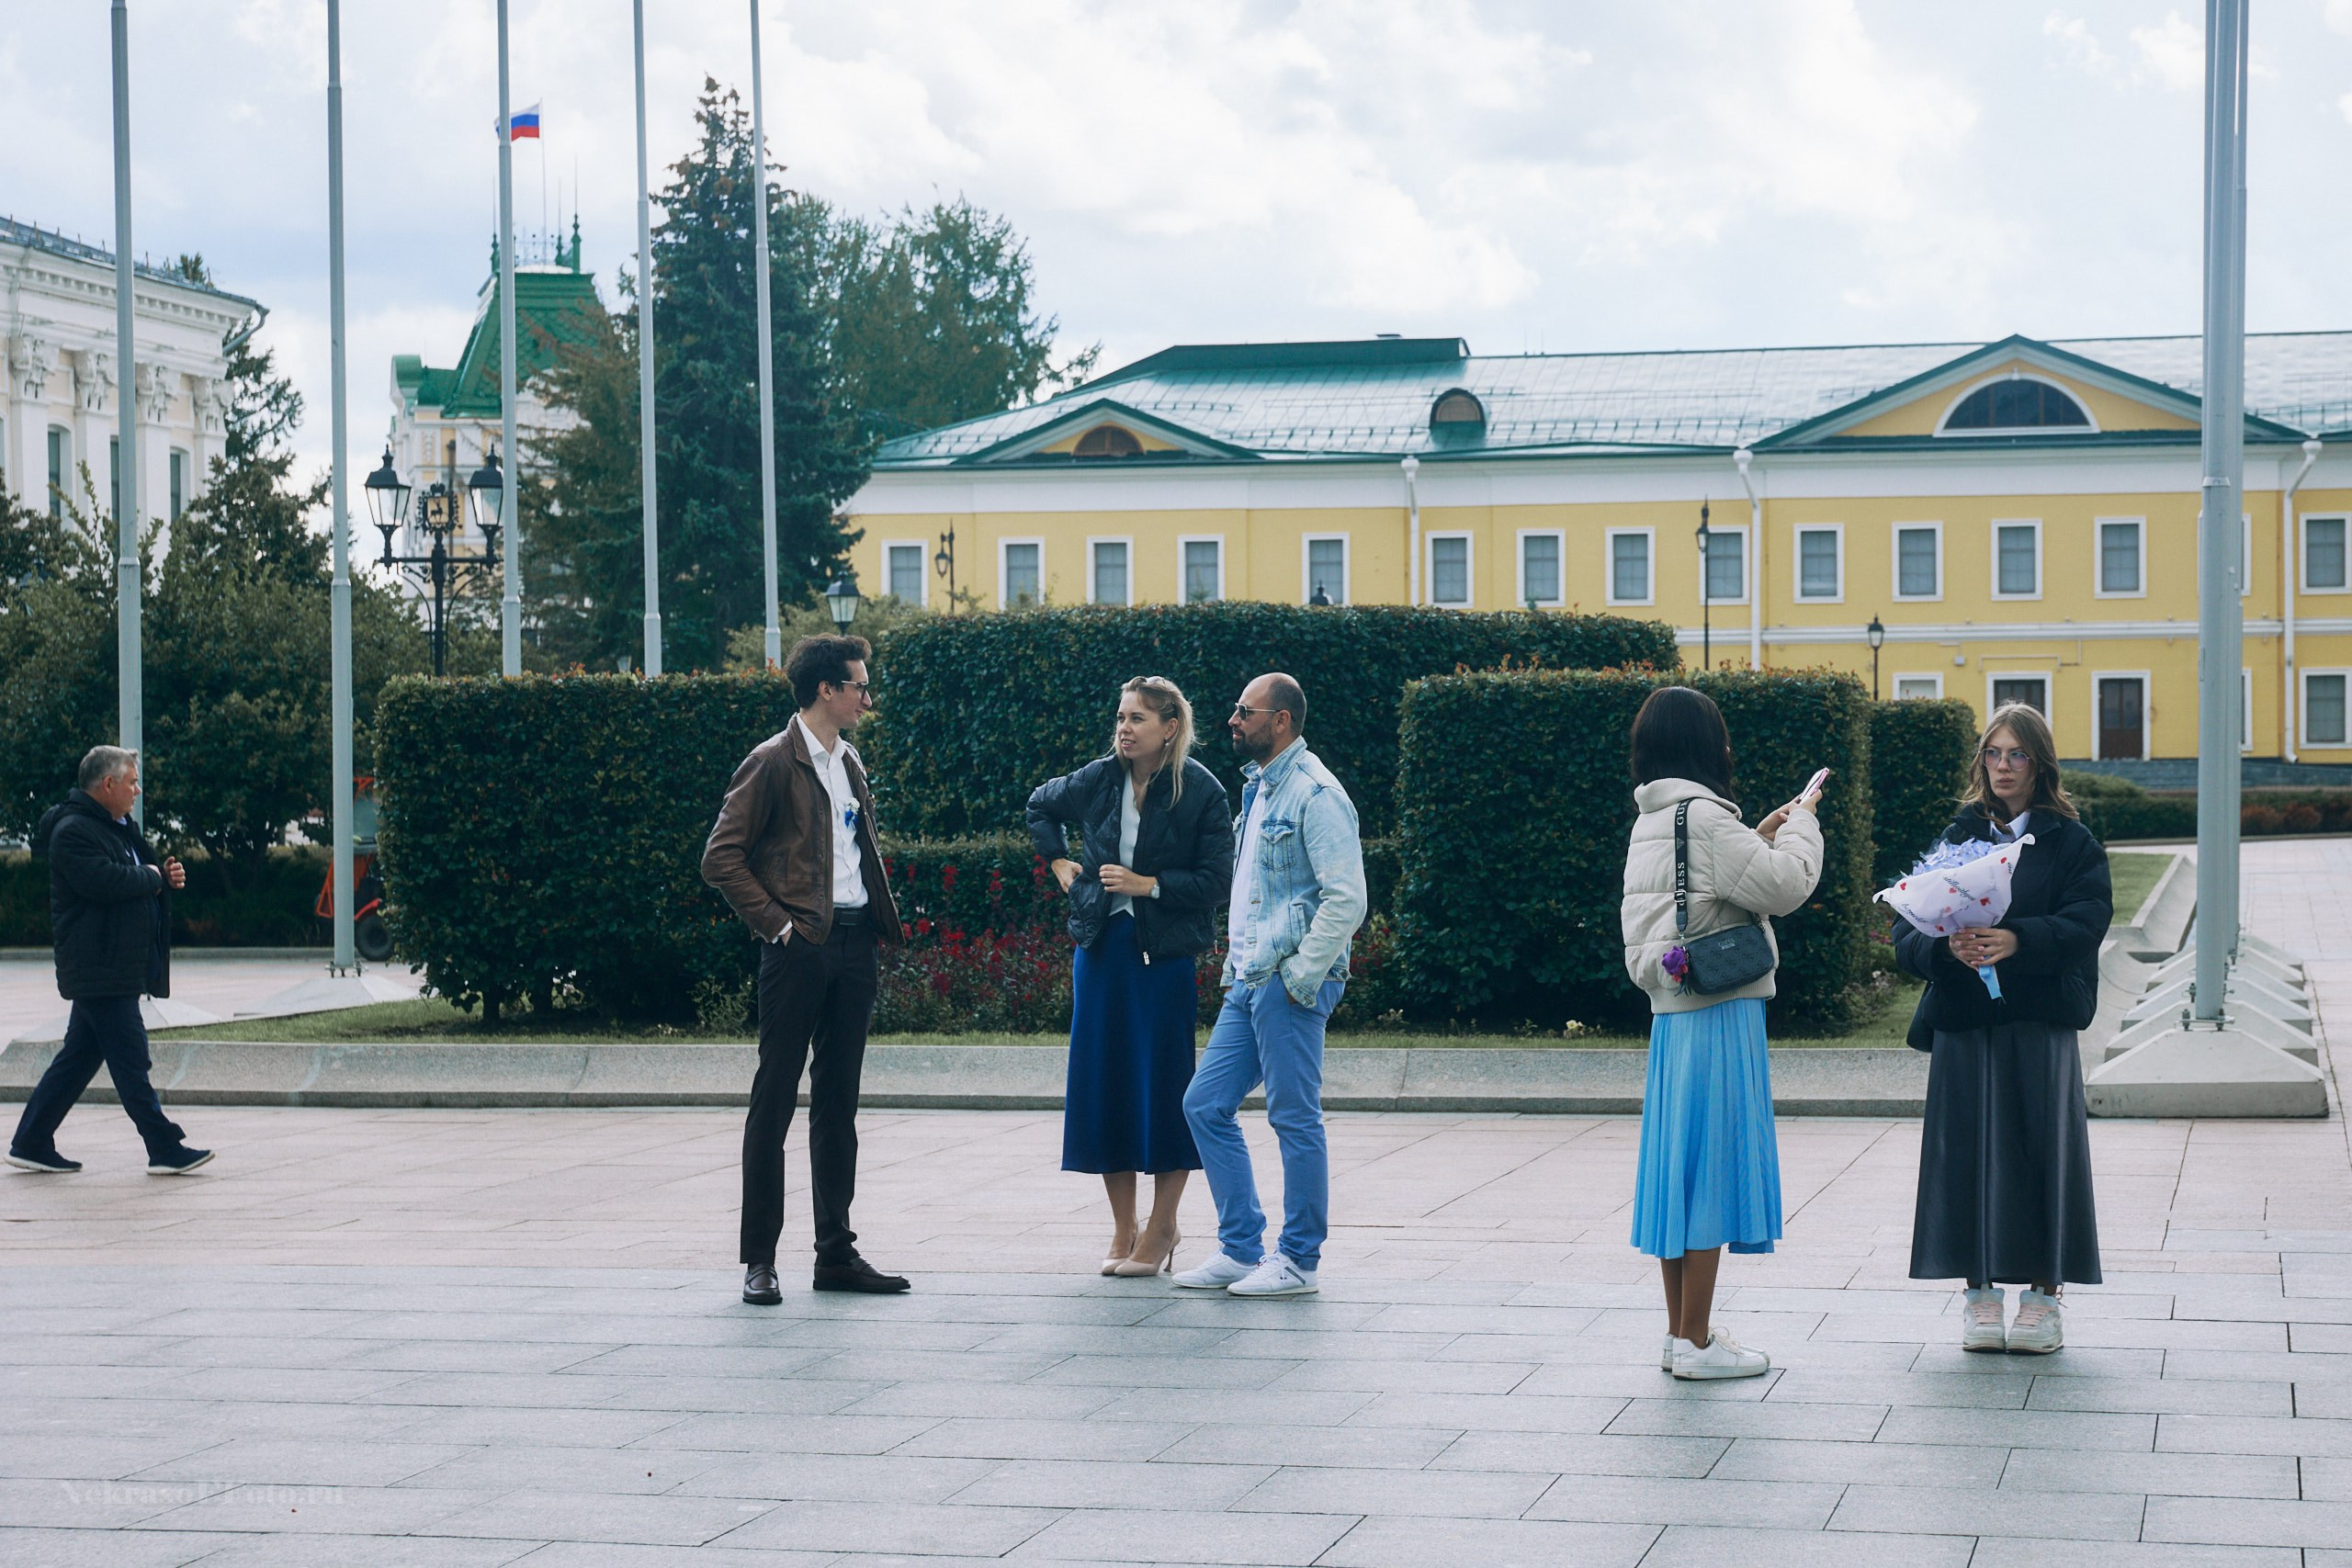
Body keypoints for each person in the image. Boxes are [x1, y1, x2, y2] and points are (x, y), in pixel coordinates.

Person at [1620, 687, 1823, 1380]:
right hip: (1720, 1009)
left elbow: (1699, 893)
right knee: (1710, 1168)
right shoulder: (1704, 817)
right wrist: (1800, 824)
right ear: (1707, 746)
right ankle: (1699, 1343)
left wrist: (1756, 836)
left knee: (1679, 1170)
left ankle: (1683, 1333)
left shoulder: (1655, 817)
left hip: (1673, 1015)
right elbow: (1788, 884)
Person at [702, 633, 910, 1303]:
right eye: (858, 685)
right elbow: (721, 858)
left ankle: (835, 1253)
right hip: (798, 951)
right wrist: (781, 927)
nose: (866, 697)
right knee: (774, 1102)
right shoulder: (771, 761)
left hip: (855, 946)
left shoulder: (849, 760)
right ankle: (758, 1259)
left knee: (838, 1105)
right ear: (827, 689)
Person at [1896, 701, 2109, 1355]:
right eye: (1993, 752)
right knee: (1967, 1157)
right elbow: (1908, 930)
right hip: (1966, 1023)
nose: (2003, 766)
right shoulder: (1959, 833)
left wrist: (2016, 938)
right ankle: (1979, 1296)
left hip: (2039, 1022)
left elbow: (2088, 920)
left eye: (2017, 753)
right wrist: (1944, 949)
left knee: (2041, 1152)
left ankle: (2044, 1299)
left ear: (2040, 762)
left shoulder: (2071, 840)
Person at [1027, 677, 1233, 1277]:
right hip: (1100, 951)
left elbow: (1217, 879)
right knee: (1106, 1086)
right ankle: (1124, 1226)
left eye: (1138, 717)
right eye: (1120, 715)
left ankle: (1165, 1226)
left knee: (1164, 1090)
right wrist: (1061, 862)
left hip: (1163, 960)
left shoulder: (1201, 790)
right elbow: (1040, 805)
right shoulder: (1098, 777)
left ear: (1170, 728)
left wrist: (1151, 886)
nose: (1124, 727)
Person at [1175, 672, 1365, 1299]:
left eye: (1244, 711)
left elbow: (1348, 899)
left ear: (1280, 720)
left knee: (1293, 1116)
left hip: (1289, 982)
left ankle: (1299, 1258)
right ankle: (1240, 1247)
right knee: (1204, 1103)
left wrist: (1299, 976)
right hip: (1250, 977)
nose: (1233, 719)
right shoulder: (1259, 790)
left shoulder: (1316, 793)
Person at [8, 747, 210, 1176]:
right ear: (108, 785)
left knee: (78, 1058)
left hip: (114, 964)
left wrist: (163, 877)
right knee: (131, 1059)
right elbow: (105, 881)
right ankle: (163, 1147)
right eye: (133, 782)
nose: (138, 790)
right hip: (99, 966)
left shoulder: (117, 827)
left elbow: (139, 873)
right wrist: (153, 878)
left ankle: (30, 1141)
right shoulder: (73, 831)